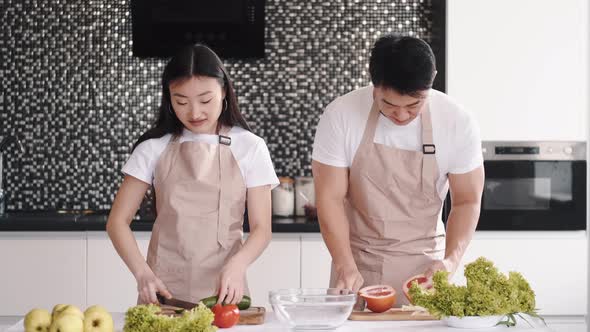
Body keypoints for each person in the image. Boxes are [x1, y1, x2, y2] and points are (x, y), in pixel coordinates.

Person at [311, 34, 484, 306]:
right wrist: (344, 265)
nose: (401, 115)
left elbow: (467, 201)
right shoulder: (340, 115)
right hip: (356, 267)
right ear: (374, 84)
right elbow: (329, 198)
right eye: (388, 104)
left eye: (414, 105)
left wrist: (450, 262)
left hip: (427, 271)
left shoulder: (457, 122)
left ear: (432, 80)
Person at [107, 44, 278, 306]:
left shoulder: (250, 146)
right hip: (163, 290)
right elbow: (117, 221)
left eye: (206, 100)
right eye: (181, 101)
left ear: (224, 92)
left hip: (225, 291)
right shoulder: (153, 147)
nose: (195, 113)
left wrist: (238, 265)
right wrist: (142, 274)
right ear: (169, 98)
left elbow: (261, 229)